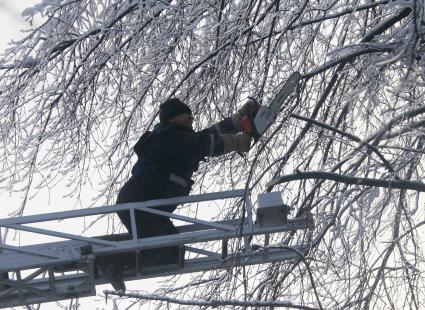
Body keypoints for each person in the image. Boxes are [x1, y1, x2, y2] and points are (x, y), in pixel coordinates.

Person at [100, 98, 258, 291]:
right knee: (169, 253)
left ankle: (110, 259)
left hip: (143, 205)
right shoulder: (171, 138)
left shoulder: (174, 137)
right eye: (187, 115)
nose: (192, 118)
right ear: (173, 118)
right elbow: (202, 144)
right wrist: (240, 141)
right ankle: (110, 262)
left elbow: (207, 135)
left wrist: (236, 120)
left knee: (173, 251)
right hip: (139, 205)